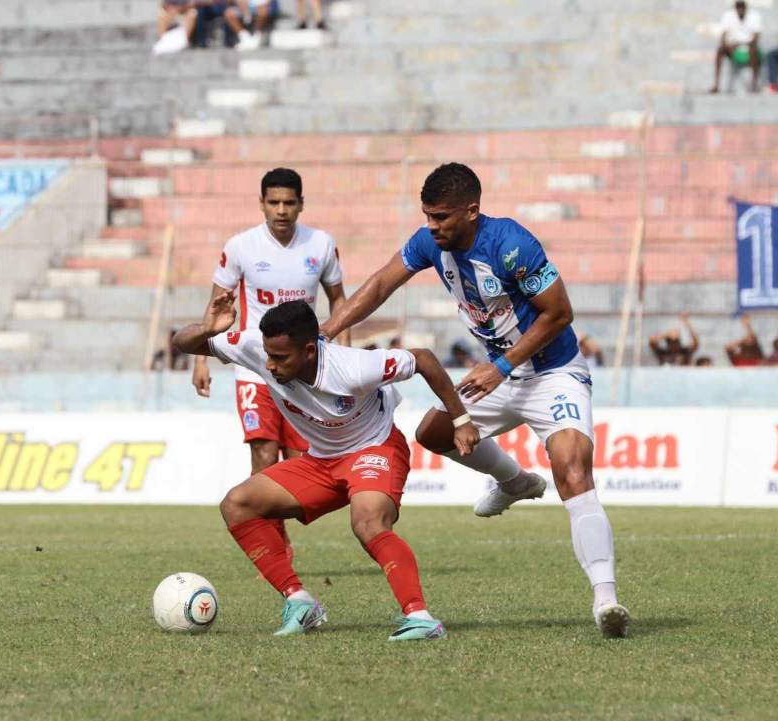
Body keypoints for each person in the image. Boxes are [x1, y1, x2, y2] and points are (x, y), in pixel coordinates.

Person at [320, 162, 631, 637]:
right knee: (433, 433)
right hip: (499, 374)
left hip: (552, 373)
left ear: (471, 210)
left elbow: (559, 313)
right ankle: (513, 481)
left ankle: (605, 600)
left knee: (572, 468)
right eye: (427, 216)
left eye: (441, 216)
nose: (432, 226)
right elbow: (382, 283)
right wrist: (327, 330)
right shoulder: (430, 243)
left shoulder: (511, 245)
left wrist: (502, 366)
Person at [174, 297, 478, 640]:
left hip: (373, 448)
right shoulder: (255, 347)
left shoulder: (353, 367)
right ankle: (300, 602)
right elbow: (182, 343)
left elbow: (423, 359)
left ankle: (420, 617)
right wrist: (206, 330)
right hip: (320, 461)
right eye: (268, 355)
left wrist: (461, 420)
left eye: (280, 358)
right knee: (237, 504)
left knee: (368, 522)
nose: (270, 365)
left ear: (308, 350)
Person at [191, 166, 349, 569]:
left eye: (289, 203)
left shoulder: (321, 244)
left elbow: (339, 301)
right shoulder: (241, 247)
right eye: (274, 202)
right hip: (253, 368)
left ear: (301, 204)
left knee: (300, 462)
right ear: (261, 203)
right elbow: (216, 307)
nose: (281, 210)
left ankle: (281, 527)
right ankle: (276, 551)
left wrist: (343, 354)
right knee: (263, 455)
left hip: (302, 372)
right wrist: (201, 359)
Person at [711, 1, 762, 94]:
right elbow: (723, 34)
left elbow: (756, 37)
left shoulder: (754, 16)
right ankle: (716, 85)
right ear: (735, 7)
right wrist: (727, 45)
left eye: (742, 6)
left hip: (748, 47)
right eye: (738, 6)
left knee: (754, 50)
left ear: (746, 7)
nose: (740, 9)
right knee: (720, 50)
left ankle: (754, 85)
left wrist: (739, 44)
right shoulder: (728, 15)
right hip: (733, 48)